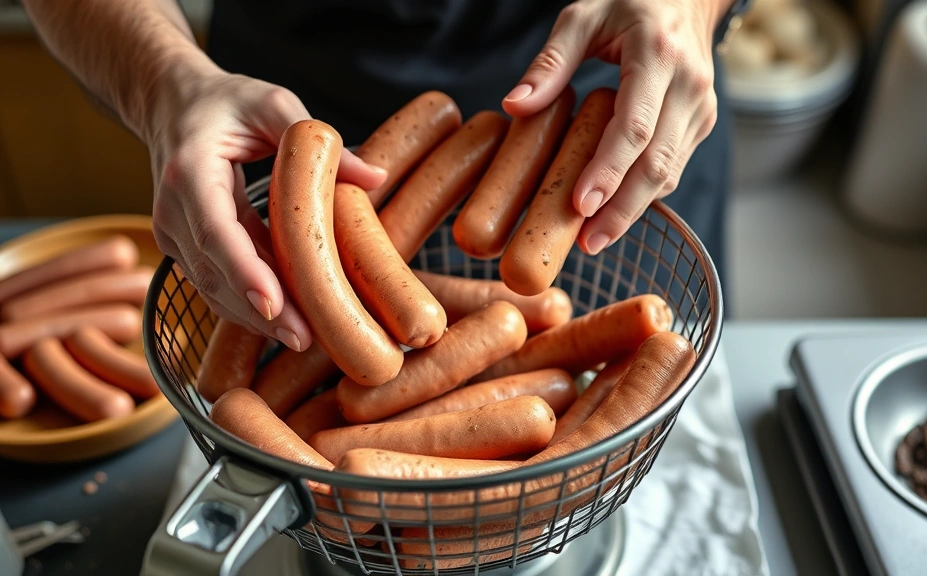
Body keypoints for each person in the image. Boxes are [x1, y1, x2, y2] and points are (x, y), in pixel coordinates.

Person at [23, 0, 745, 352]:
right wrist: (163, 85)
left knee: (641, 370)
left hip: (603, 117)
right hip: (277, 123)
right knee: (301, 394)